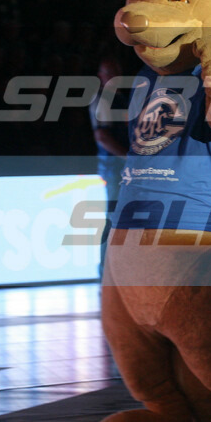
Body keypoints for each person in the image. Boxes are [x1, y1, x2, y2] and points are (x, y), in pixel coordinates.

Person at [88, 56, 129, 278]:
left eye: (116, 72)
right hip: (115, 167)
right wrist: (127, 157)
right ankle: (106, 268)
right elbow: (102, 135)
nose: (114, 77)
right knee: (114, 216)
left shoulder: (120, 97)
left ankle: (119, 267)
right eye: (109, 73)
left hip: (123, 166)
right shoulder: (103, 99)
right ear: (101, 77)